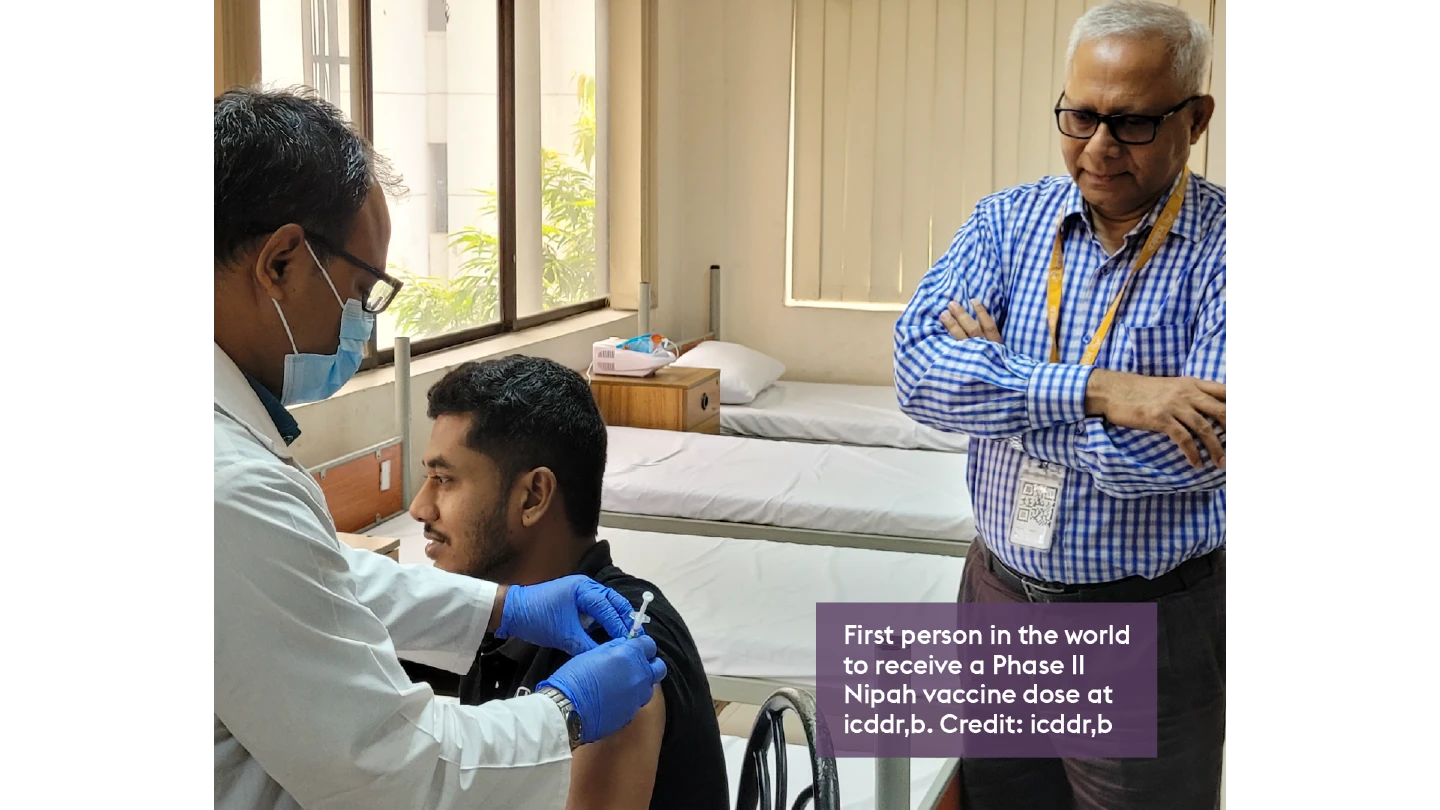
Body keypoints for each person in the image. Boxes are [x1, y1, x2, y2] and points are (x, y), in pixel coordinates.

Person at [210, 87, 666, 810]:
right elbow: (392, 771)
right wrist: (567, 713)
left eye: (446, 480)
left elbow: (312, 588)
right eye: (363, 291)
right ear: (281, 263)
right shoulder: (227, 488)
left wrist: (500, 607)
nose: (363, 325)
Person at [893, 1, 1228, 808]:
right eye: (1080, 116)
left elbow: (1200, 448)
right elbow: (918, 371)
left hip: (1145, 621)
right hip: (1001, 595)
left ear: (1197, 119)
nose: (1100, 147)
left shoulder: (1236, 250)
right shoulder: (1007, 222)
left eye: (1134, 123)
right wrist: (1103, 391)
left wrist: (1001, 388)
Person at [408, 355, 731, 810]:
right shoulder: (499, 619)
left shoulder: (618, 656)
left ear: (533, 496)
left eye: (444, 479)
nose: (420, 508)